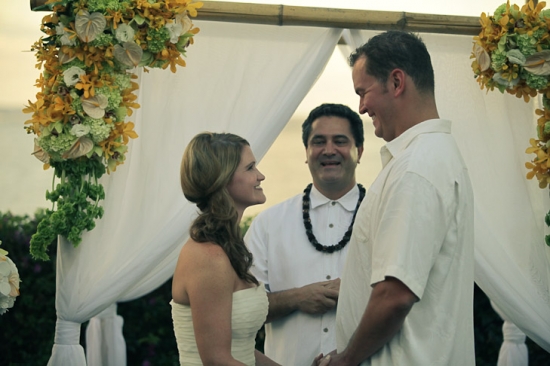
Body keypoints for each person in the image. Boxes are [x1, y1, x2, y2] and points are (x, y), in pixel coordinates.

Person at [329, 31, 475, 365]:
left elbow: (395, 295)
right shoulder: (432, 157)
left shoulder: (416, 168)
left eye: (363, 92)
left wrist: (346, 360)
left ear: (396, 82)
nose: (361, 106)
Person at [245, 103, 365, 366]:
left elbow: (401, 298)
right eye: (319, 141)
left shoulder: (383, 218)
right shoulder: (268, 224)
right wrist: (297, 297)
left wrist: (358, 295)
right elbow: (240, 310)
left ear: (360, 151)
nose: (329, 150)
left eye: (340, 141)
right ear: (307, 152)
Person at [170, 132, 277, 366]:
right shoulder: (208, 256)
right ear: (222, 179)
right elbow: (217, 360)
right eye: (250, 168)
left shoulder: (227, 248)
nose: (261, 176)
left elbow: (243, 350)